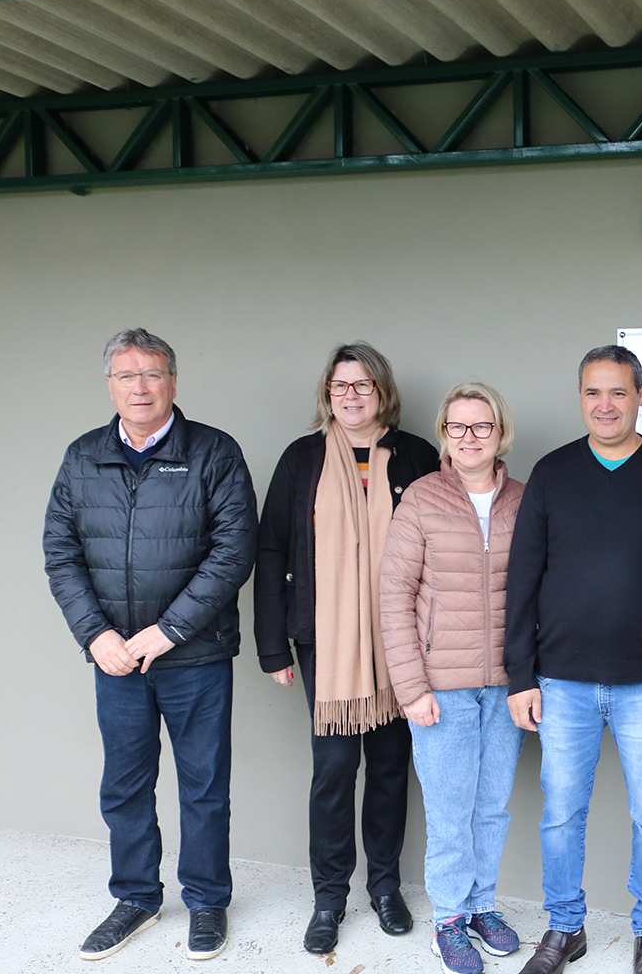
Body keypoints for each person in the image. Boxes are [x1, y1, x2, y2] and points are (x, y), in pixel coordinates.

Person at [504, 345, 642, 974]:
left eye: (618, 392)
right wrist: (521, 675)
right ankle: (564, 928)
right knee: (560, 813)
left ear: (640, 396)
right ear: (580, 398)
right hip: (562, 681)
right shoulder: (551, 474)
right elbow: (522, 580)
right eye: (593, 393)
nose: (606, 405)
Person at [44, 328, 257, 962]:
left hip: (194, 656)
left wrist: (167, 631)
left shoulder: (214, 453)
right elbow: (61, 553)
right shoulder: (83, 457)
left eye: (152, 373)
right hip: (116, 660)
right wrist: (96, 635)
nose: (140, 386)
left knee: (203, 785)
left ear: (173, 380)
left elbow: (233, 551)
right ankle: (136, 897)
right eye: (126, 375)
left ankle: (207, 901)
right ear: (109, 385)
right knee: (125, 786)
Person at [252, 342, 438, 955]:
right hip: (324, 641)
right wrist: (272, 644)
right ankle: (329, 897)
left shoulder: (415, 454)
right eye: (339, 386)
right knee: (334, 771)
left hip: (401, 640)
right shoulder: (303, 458)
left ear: (382, 390)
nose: (351, 396)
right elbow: (272, 549)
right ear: (326, 394)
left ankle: (385, 887)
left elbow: (441, 545)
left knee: (389, 769)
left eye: (362, 385)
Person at [380, 382, 527, 974]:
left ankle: (482, 906)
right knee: (448, 808)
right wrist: (411, 687)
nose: (469, 438)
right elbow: (394, 595)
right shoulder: (421, 498)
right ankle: (449, 918)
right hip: (442, 684)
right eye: (458, 427)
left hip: (507, 683)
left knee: (492, 806)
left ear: (500, 433)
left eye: (481, 426)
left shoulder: (524, 499)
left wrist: (530, 678)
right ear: (444, 434)